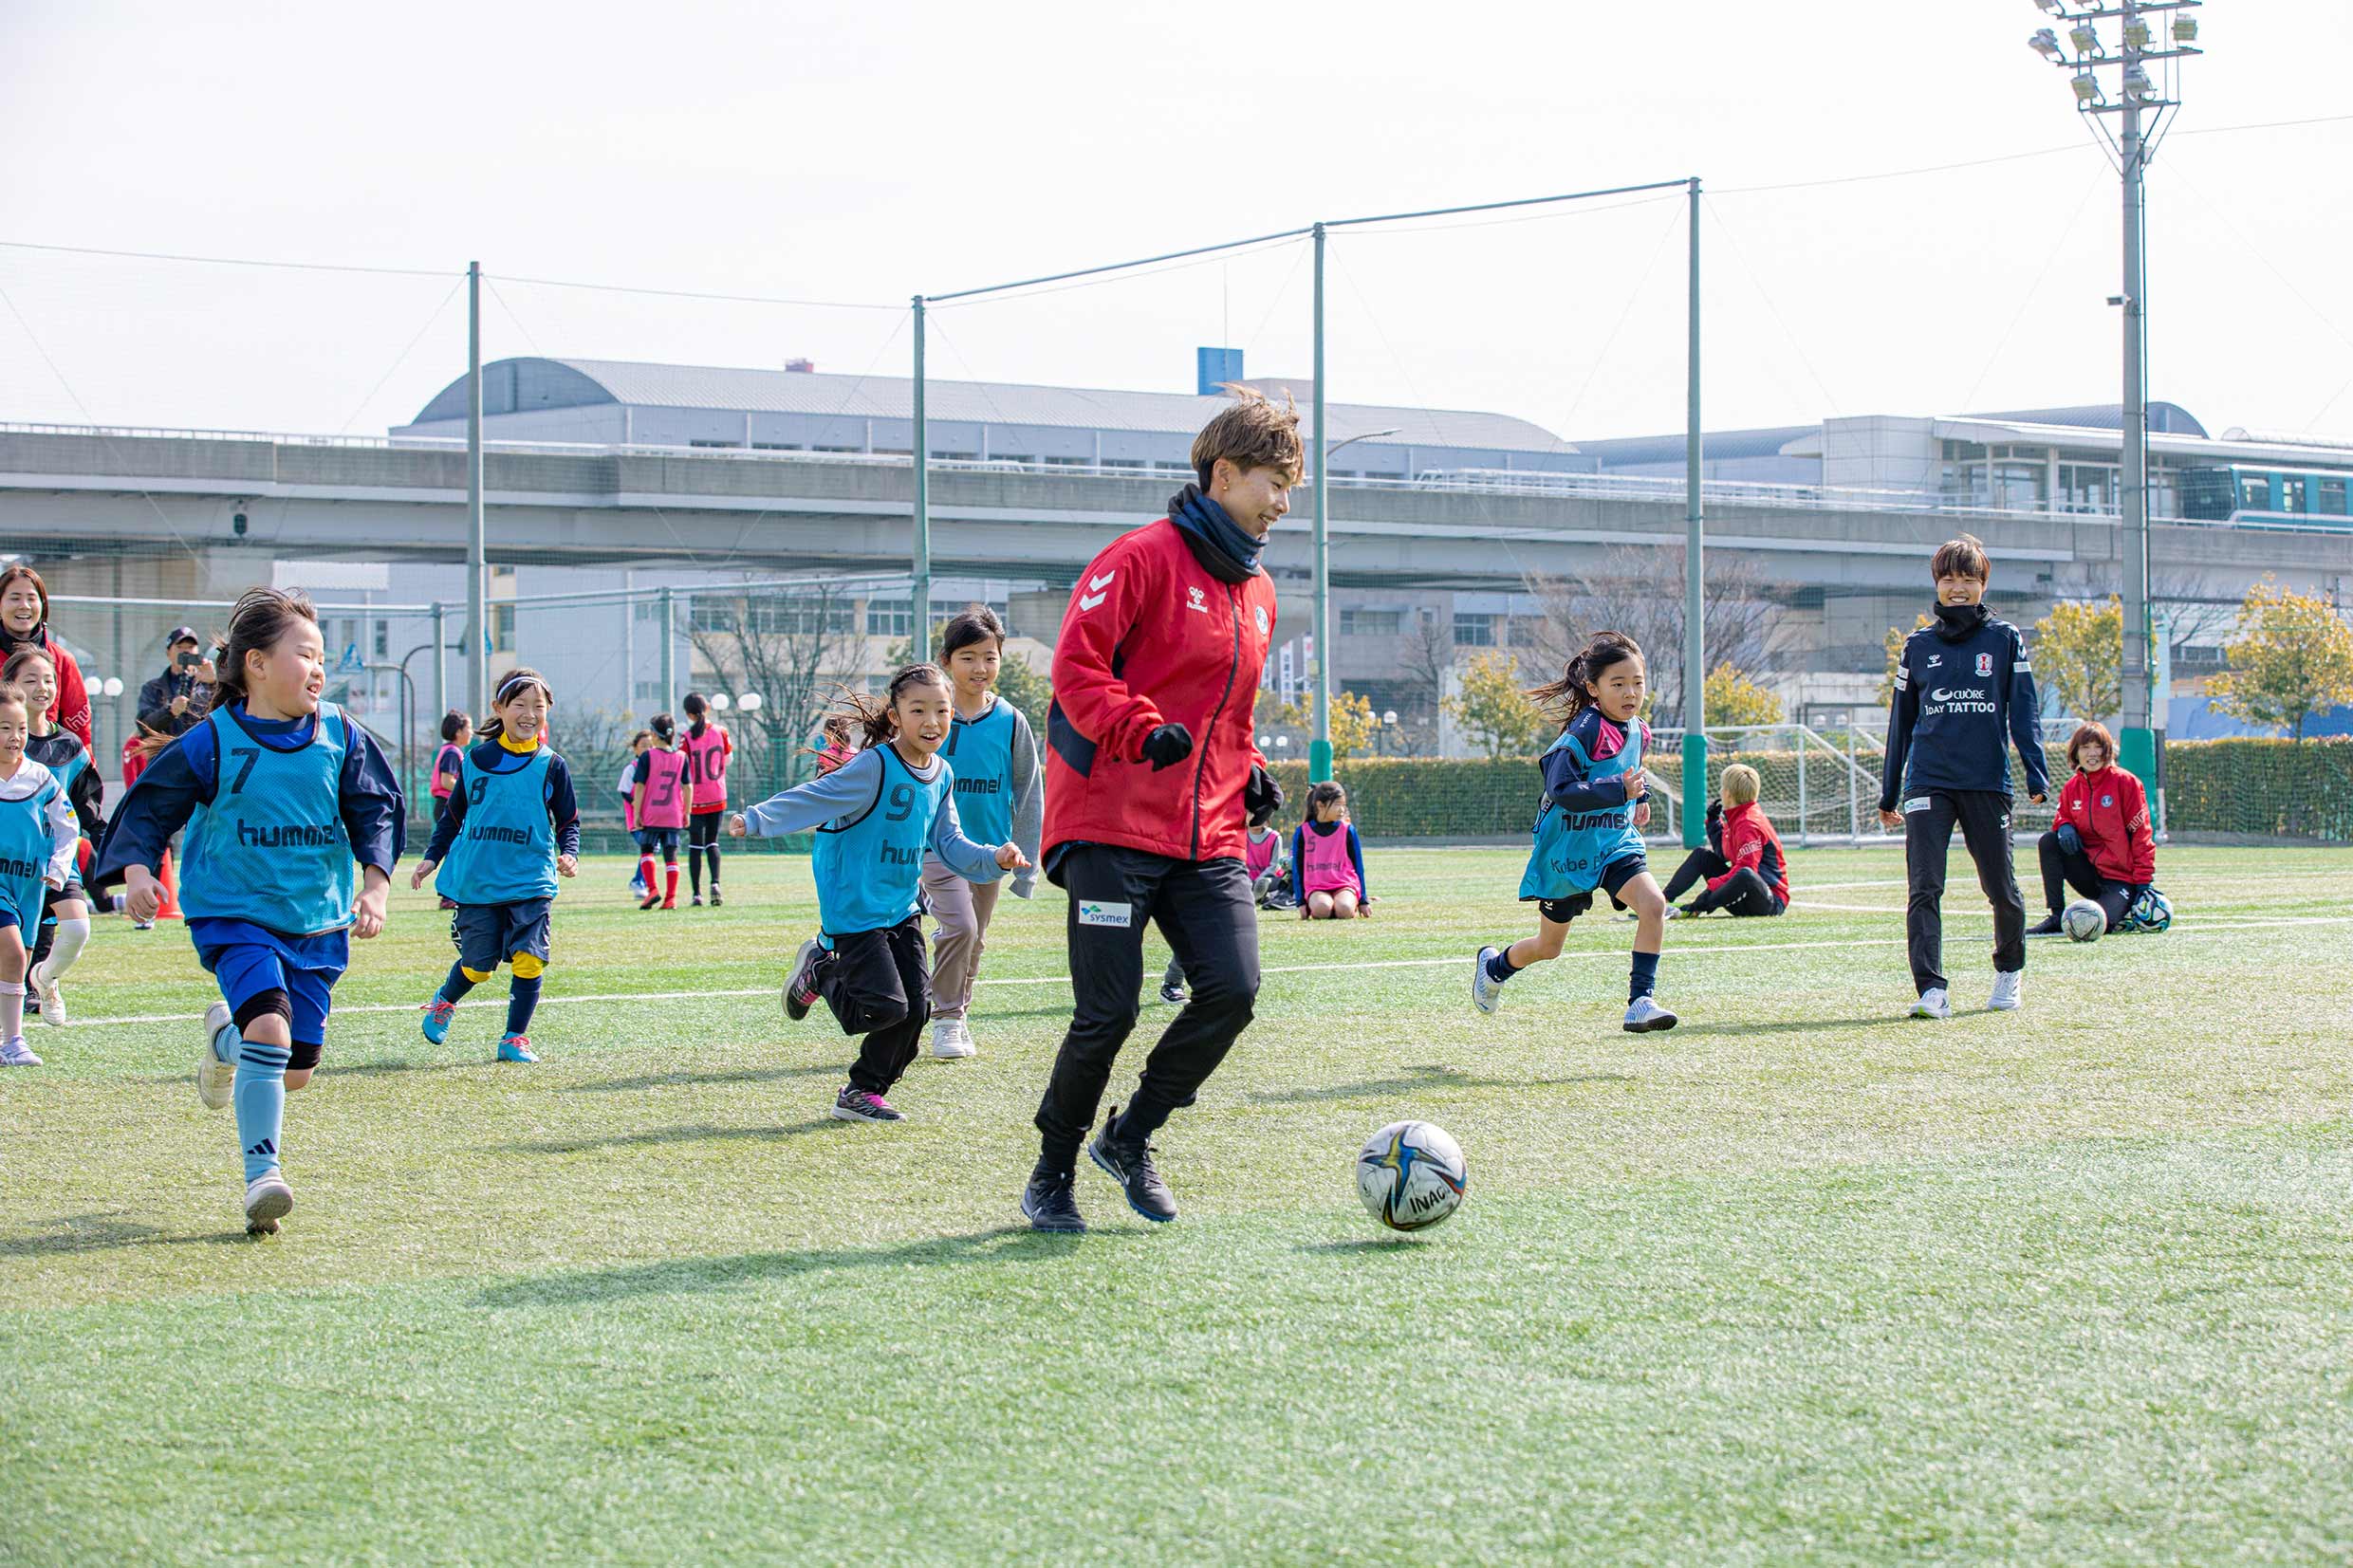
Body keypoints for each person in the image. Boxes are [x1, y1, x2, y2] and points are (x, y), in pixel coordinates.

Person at [1022, 389, 1288, 1233]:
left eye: (1291, 488)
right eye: (1271, 482)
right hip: (1109, 828)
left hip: (1206, 833)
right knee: (1109, 1012)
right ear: (1222, 474)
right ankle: (1051, 1171)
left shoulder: (1260, 594)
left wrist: (1243, 773)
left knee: (1233, 990)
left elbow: (1232, 714)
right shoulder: (1136, 558)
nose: (1282, 503)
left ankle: (1130, 1136)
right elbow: (1078, 669)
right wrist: (1141, 730)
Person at [89, 586, 404, 1235]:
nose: (318, 669)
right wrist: (141, 870)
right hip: (235, 914)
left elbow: (377, 807)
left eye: (321, 658)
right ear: (256, 664)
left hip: (316, 919)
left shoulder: (340, 734)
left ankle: (222, 1040)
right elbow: (152, 805)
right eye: (305, 654)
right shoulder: (214, 740)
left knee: (295, 1070)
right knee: (271, 1030)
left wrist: (374, 884)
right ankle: (263, 1176)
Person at [726, 666, 1028, 1123]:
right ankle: (821, 971)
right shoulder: (874, 766)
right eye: (918, 710)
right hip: (854, 910)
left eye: (942, 711)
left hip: (902, 908)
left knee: (915, 1010)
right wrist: (756, 819)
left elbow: (950, 845)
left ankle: (861, 1091)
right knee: (883, 1007)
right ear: (895, 716)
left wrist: (994, 859)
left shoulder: (941, 774)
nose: (932, 721)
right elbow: (815, 796)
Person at [1878, 533, 2048, 1019]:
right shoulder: (1918, 646)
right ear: (1937, 582)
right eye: (1949, 578)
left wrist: (2036, 773)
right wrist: (1890, 791)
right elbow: (1901, 723)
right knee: (1924, 887)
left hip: (1986, 782)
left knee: (2001, 888)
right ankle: (1931, 989)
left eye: (1968, 579)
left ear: (1982, 584)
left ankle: (2009, 971)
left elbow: (2025, 710)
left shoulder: (2004, 639)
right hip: (1928, 781)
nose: (1958, 588)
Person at [1472, 631, 1678, 1032]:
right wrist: (1619, 790)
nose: (1630, 692)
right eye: (1618, 684)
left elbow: (1629, 770)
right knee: (1549, 947)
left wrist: (1639, 797)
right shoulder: (1582, 732)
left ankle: (1640, 1002)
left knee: (1654, 906)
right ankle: (1495, 967)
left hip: (1614, 843)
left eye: (1637, 682)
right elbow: (1561, 790)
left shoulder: (1640, 730)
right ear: (1593, 688)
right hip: (1567, 851)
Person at [411, 669, 581, 1063]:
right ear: (499, 709)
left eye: (538, 706)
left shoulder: (553, 765)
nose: (529, 713)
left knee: (530, 957)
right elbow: (452, 819)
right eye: (519, 704)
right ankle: (444, 1001)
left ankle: (514, 1038)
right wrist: (431, 858)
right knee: (478, 966)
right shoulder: (475, 761)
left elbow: (569, 820)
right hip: (479, 881)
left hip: (532, 878)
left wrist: (570, 852)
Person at [919, 606, 1043, 1061]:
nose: (980, 668)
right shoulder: (929, 714)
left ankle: (954, 1013)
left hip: (990, 855)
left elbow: (1030, 794)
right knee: (960, 925)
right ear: (947, 659)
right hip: (933, 849)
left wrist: (1025, 864)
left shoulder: (1012, 722)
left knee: (973, 938)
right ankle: (947, 1019)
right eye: (969, 657)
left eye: (990, 657)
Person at [6, 647, 102, 1028]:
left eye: (48, 679)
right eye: (30, 680)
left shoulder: (70, 748)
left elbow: (89, 807)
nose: (42, 687)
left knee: (78, 929)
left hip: (57, 862)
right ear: (12, 686)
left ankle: (45, 979)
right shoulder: (6, 744)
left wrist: (116, 851)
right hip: (12, 865)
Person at [0, 683, 79, 1067]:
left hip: (29, 883)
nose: (14, 737)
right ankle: (14, 1041)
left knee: (18, 961)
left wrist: (59, 869)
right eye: (3, 728)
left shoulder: (41, 778)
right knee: (12, 951)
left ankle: (9, 1040)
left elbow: (68, 828)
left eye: (19, 728)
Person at [2028, 721, 2156, 936]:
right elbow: (2063, 816)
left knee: (2098, 925)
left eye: (2097, 747)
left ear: (2107, 751)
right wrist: (2064, 825)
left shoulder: (2126, 782)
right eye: (2085, 748)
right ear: (2076, 753)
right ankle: (2057, 915)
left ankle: (2123, 910)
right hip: (2089, 875)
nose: (2092, 753)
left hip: (2121, 880)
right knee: (2049, 841)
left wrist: (2144, 882)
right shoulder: (2072, 787)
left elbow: (2142, 835)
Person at [1158, 820, 1288, 1004]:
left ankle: (1193, 985)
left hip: (1227, 874)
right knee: (1198, 931)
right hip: (1196, 866)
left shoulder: (1244, 825)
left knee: (1223, 935)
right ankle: (1172, 982)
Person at [1661, 764, 1789, 917]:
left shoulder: (1748, 823)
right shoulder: (1738, 817)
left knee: (1745, 874)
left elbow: (1748, 869)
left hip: (1770, 902)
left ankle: (1696, 908)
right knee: (1701, 855)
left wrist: (1710, 890)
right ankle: (1660, 900)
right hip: (1744, 894)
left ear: (1728, 794)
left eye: (1722, 787)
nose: (1720, 791)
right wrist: (1714, 822)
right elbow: (1723, 854)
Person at [0, 564, 92, 749]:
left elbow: (80, 731)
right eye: (15, 598)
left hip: (48, 769)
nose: (24, 605)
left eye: (32, 598)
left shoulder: (62, 659)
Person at [629, 711, 693, 910]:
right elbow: (688, 786)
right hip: (673, 814)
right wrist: (687, 811)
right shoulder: (682, 757)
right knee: (671, 856)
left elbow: (639, 786)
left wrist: (637, 813)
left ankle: (653, 889)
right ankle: (671, 898)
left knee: (647, 851)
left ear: (655, 735)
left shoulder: (648, 756)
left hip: (652, 813)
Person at [679, 692, 733, 907]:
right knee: (712, 842)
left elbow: (682, 768)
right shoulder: (721, 732)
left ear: (689, 714)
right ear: (708, 708)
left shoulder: (685, 737)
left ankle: (696, 894)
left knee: (695, 846)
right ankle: (715, 882)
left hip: (695, 798)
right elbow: (728, 760)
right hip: (717, 795)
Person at [1292, 782, 1370, 920]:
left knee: (1344, 910)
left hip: (1344, 885)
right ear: (1320, 805)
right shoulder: (1303, 832)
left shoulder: (1348, 830)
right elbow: (1297, 869)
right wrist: (1301, 902)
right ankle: (1329, 906)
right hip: (1316, 888)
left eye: (1344, 805)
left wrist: (1363, 900)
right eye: (1337, 805)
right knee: (1322, 909)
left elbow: (1358, 866)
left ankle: (1346, 904)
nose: (1342, 810)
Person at [137, 626, 217, 744]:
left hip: (200, 755)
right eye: (179, 647)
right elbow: (144, 727)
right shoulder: (153, 688)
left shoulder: (208, 685)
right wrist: (170, 711)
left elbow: (227, 716)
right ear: (168, 652)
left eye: (190, 647)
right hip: (165, 754)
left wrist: (213, 684)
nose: (185, 652)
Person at [619, 729, 653, 898]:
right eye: (643, 745)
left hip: (653, 819)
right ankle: (639, 882)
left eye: (650, 745)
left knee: (650, 848)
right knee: (649, 847)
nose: (647, 749)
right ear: (635, 748)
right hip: (636, 820)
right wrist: (637, 805)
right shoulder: (631, 769)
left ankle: (640, 881)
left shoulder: (655, 766)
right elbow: (624, 791)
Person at [430, 710, 472, 819]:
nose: (471, 732)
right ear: (458, 732)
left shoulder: (449, 750)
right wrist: (468, 791)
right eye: (469, 728)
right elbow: (447, 782)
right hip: (448, 804)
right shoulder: (452, 753)